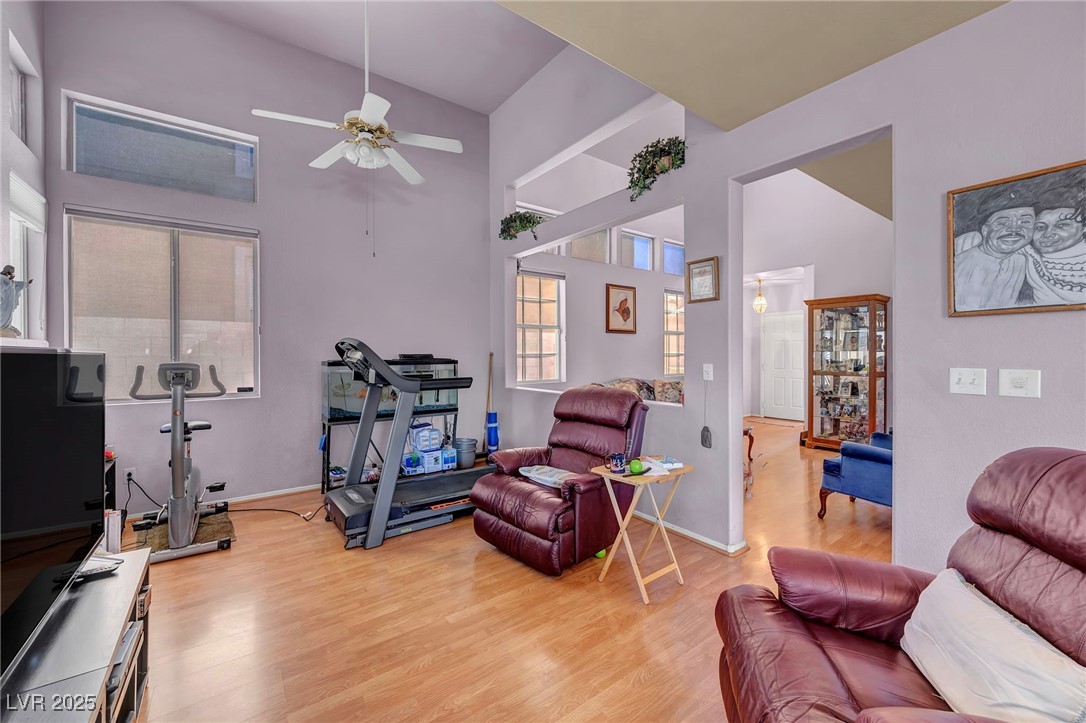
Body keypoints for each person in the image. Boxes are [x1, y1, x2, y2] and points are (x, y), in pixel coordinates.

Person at [953, 197, 1035, 312]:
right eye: (1002, 223)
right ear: (985, 231)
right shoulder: (959, 267)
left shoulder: (1028, 261)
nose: (1014, 229)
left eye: (1025, 222)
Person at [1020, 187, 1086, 306]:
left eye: (1062, 225)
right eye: (1040, 227)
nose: (1048, 234)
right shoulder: (1028, 255)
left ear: (1084, 227)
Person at [0, 264, 33, 337]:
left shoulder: (10, 281)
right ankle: (2, 326)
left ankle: (7, 326)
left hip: (9, 303)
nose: (12, 274)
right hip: (3, 303)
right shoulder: (2, 278)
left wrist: (26, 284)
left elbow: (16, 284)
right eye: (11, 272)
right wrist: (10, 279)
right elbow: (7, 284)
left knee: (8, 315)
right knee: (3, 315)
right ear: (7, 271)